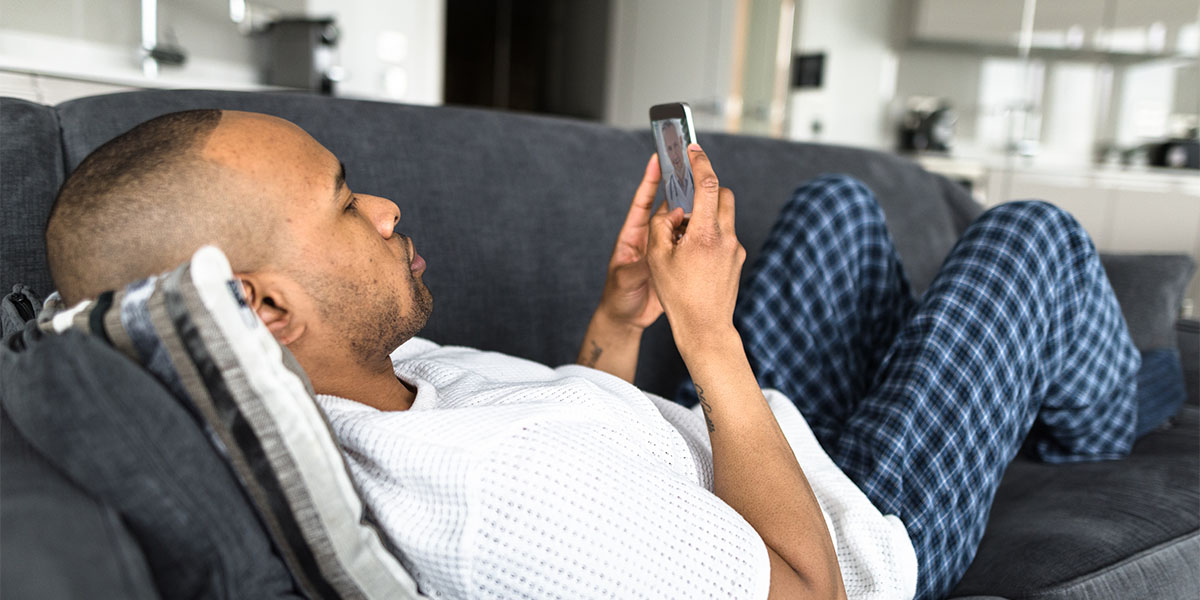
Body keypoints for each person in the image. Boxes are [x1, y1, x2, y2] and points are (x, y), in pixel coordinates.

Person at [44, 110, 1139, 600]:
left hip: (767, 459)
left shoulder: (379, 388)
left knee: (838, 212)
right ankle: (1096, 423)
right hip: (855, 542)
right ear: (264, 305)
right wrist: (706, 335)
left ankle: (1024, 380)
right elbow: (810, 595)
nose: (381, 207)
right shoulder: (494, 496)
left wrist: (623, 320)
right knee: (1025, 240)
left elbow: (585, 444)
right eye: (341, 204)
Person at [660, 119, 695, 205]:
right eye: (669, 148)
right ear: (666, 151)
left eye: (675, 145)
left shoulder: (696, 177)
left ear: (681, 142)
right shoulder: (668, 190)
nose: (674, 154)